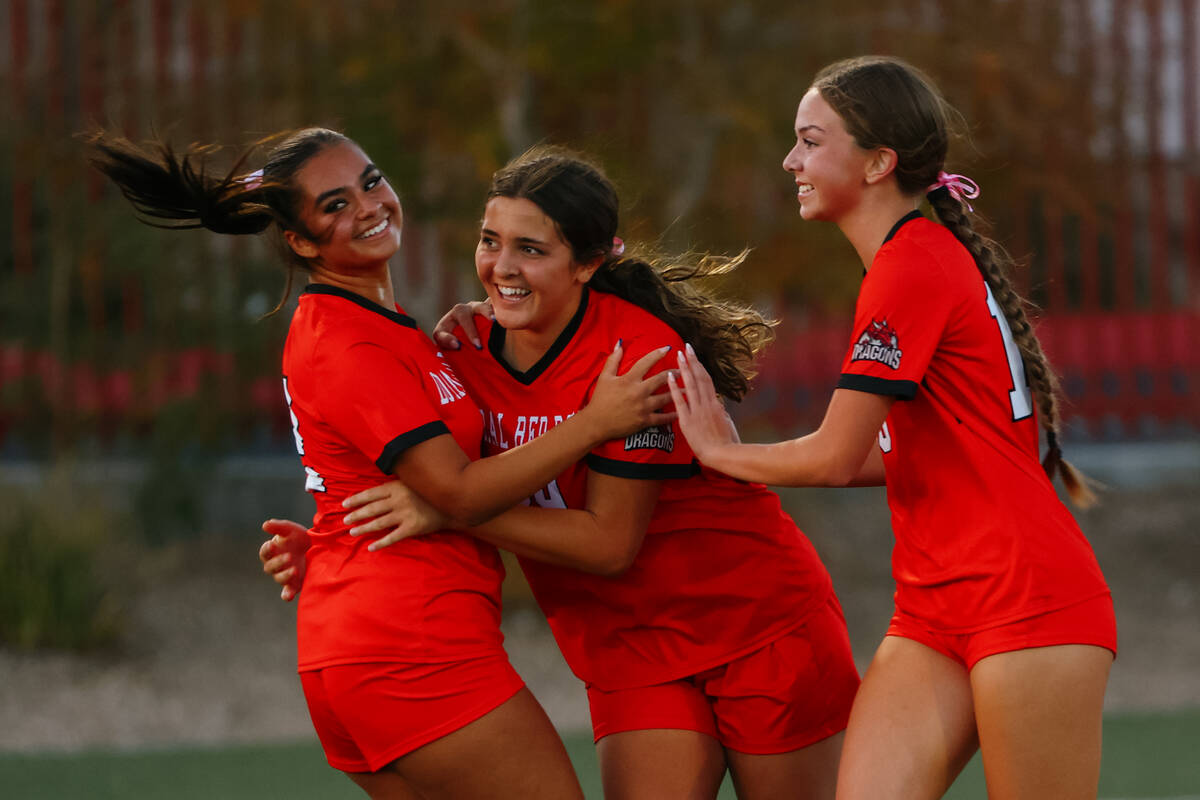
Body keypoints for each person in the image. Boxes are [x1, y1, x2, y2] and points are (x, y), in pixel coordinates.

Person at [85, 128, 676, 800]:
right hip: (410, 649)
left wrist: (332, 539)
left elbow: (377, 479)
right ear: (302, 242)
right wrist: (594, 423)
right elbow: (456, 492)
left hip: (362, 643)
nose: (368, 206)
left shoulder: (383, 325)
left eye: (370, 182)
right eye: (335, 205)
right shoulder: (347, 340)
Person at [262, 146, 861, 800]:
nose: (501, 267)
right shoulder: (461, 351)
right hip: (625, 649)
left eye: (531, 249)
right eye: (490, 241)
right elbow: (389, 455)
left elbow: (607, 544)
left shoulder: (637, 359)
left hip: (756, 628)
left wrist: (448, 513)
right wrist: (335, 538)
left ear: (588, 263)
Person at [667, 56, 1115, 800]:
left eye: (811, 142)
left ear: (878, 163)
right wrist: (741, 455)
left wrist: (719, 452)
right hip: (933, 609)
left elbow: (834, 457)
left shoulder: (911, 266)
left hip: (1028, 598)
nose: (791, 161)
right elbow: (889, 454)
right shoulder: (912, 260)